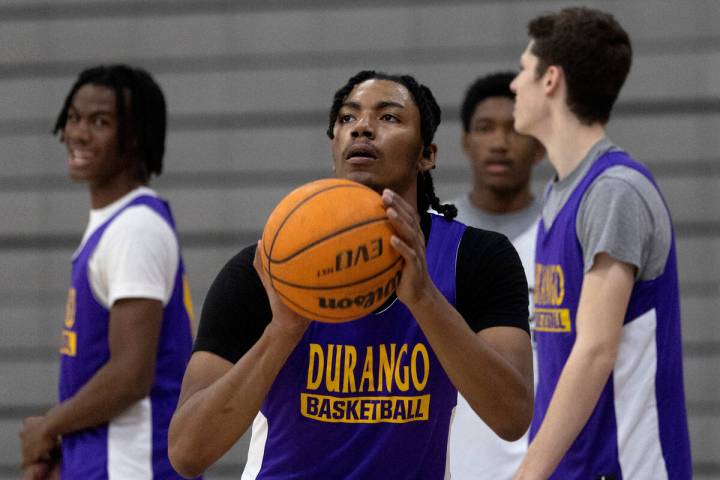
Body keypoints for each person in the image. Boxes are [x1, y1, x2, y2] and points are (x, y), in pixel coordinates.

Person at [168, 70, 534, 479]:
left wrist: (425, 299)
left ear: (426, 155)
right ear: (334, 147)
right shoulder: (264, 268)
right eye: (347, 118)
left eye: (389, 117)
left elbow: (512, 417)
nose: (362, 127)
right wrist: (283, 330)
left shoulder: (476, 258)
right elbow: (187, 452)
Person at [509, 7, 692, 479]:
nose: (514, 85)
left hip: (624, 466)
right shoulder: (560, 190)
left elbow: (595, 350)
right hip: (573, 467)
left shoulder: (614, 191)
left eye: (523, 70)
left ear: (551, 79)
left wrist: (528, 473)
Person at [19, 65, 196, 479]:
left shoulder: (135, 229)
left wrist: (49, 426)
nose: (79, 133)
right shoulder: (116, 224)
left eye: (100, 122)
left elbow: (131, 376)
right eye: (75, 118)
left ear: (135, 136)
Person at [448, 72, 544, 480]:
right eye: (486, 129)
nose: (500, 143)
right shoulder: (429, 233)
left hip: (546, 456)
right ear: (466, 142)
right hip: (452, 458)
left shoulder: (565, 232)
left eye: (516, 129)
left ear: (539, 145)